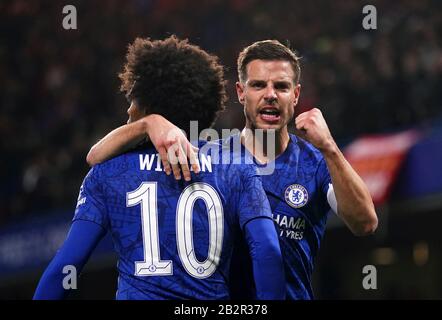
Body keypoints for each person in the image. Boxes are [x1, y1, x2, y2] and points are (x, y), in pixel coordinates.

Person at [85, 40, 378, 300]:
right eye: (258, 85)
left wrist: (330, 148)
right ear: (241, 92)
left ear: (296, 95)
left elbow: (365, 223)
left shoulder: (315, 163)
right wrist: (147, 123)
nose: (271, 95)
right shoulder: (208, 155)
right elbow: (97, 157)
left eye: (281, 86)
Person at [33, 36, 285, 300]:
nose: (129, 110)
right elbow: (268, 251)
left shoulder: (108, 172)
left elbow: (65, 266)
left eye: (133, 100)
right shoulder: (238, 167)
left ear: (149, 105)